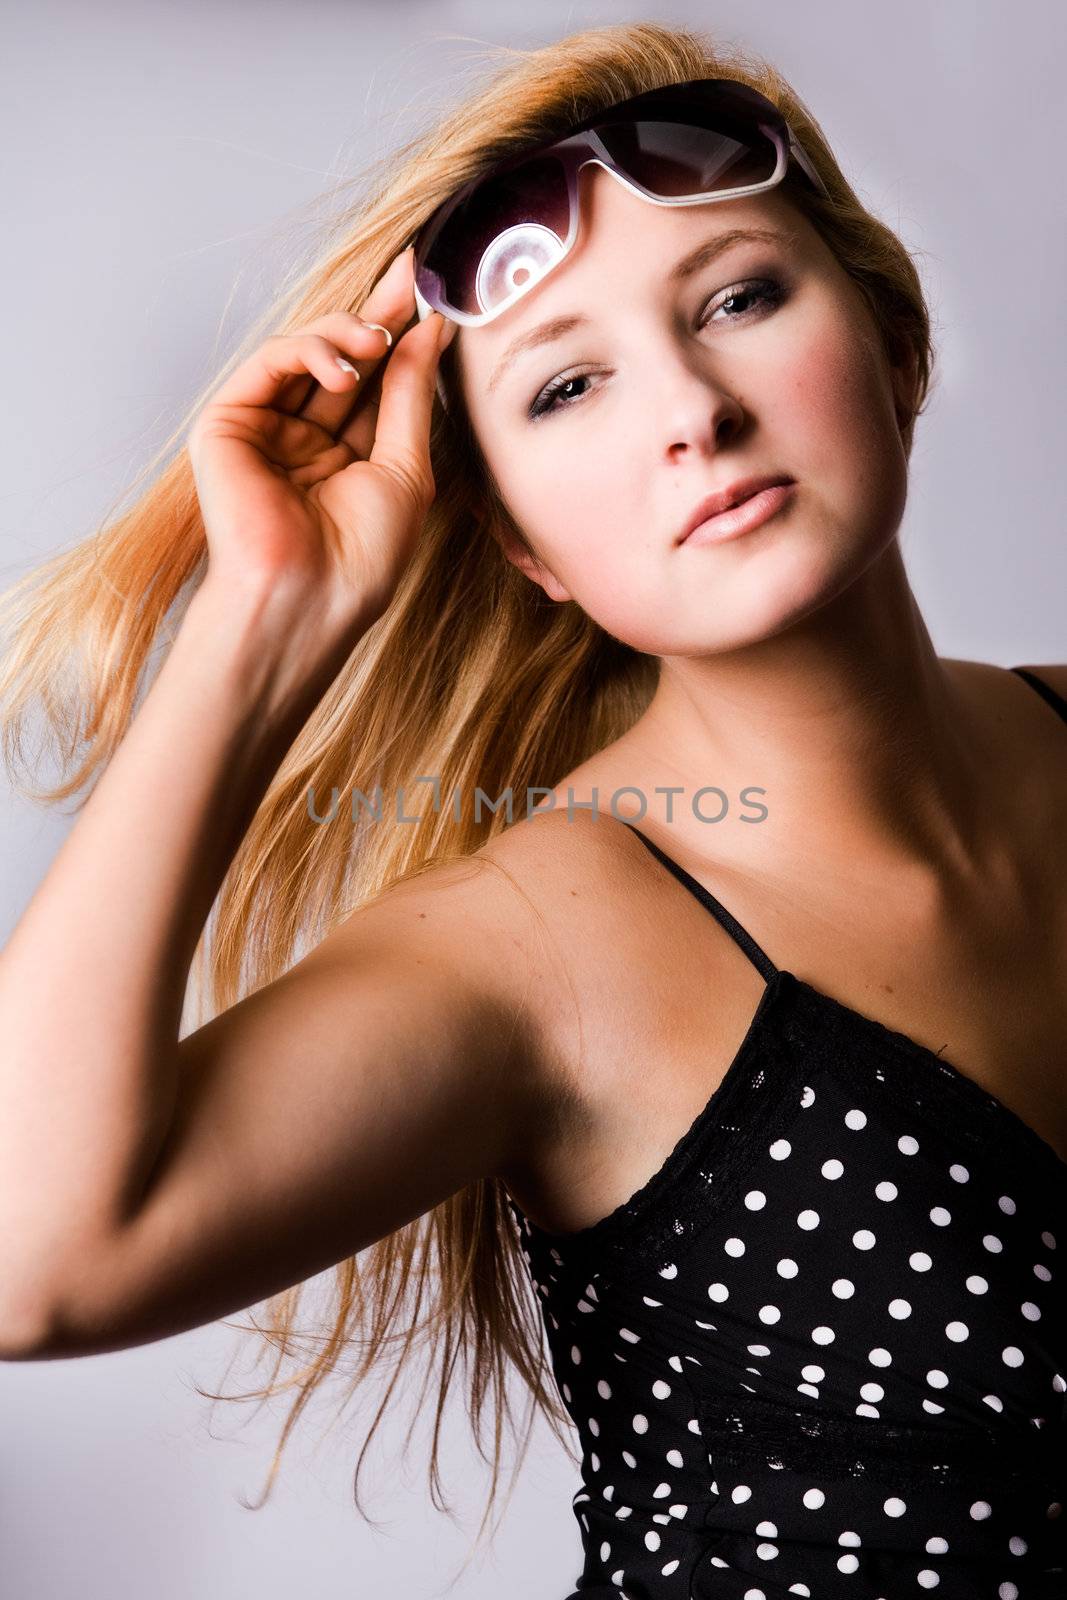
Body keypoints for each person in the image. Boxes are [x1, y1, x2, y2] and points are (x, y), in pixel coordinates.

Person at [0, 18, 1063, 1599]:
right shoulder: (547, 947)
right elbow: (34, 1264)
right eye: (568, 386)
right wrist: (263, 620)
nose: (691, 410)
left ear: (896, 339)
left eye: (742, 298)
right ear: (525, 550)